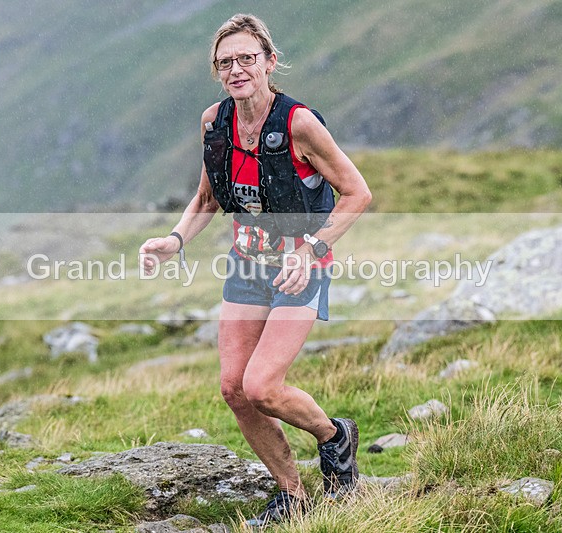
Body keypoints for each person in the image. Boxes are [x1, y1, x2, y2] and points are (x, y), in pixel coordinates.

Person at [139, 13, 372, 527]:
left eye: (247, 58)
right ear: (216, 70)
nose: (236, 69)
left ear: (269, 62)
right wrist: (174, 240)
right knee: (234, 390)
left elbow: (357, 194)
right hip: (247, 265)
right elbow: (207, 199)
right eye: (226, 62)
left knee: (263, 386)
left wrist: (310, 249)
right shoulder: (214, 122)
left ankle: (334, 436)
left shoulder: (299, 124)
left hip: (299, 266)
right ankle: (293, 493)